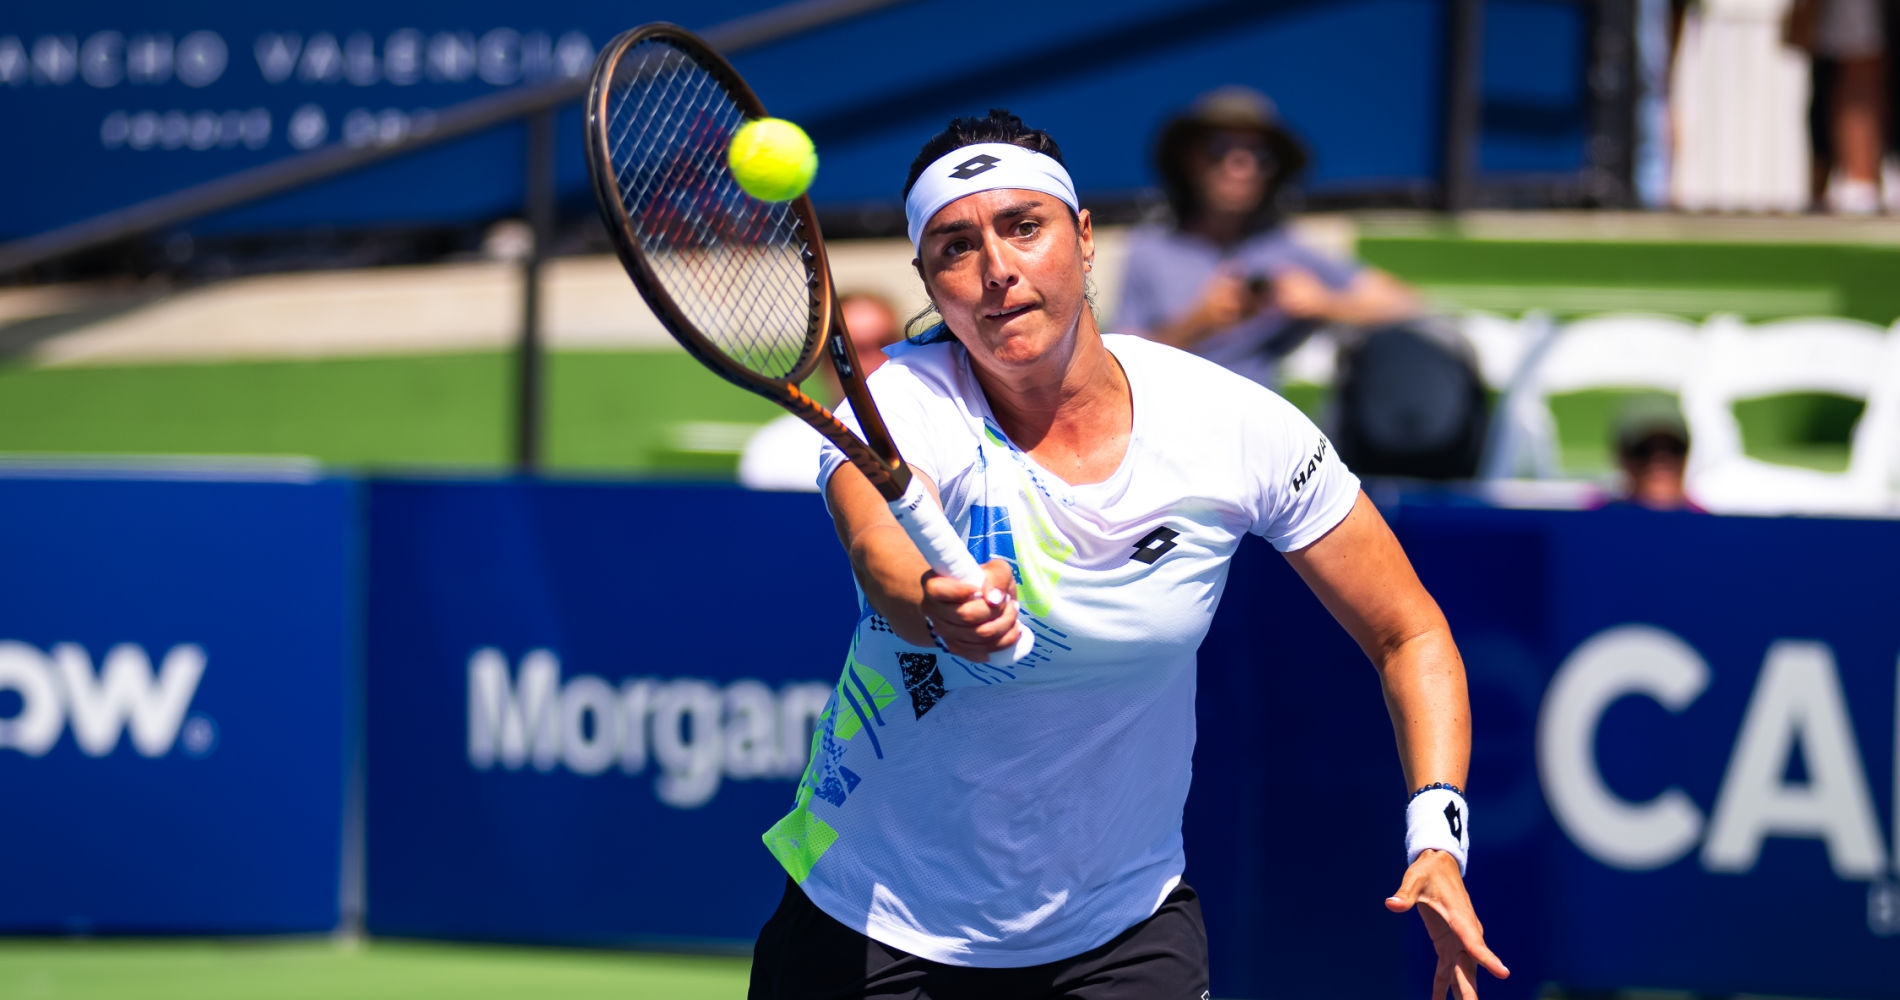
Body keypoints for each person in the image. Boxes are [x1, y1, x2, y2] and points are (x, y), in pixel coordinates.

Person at [748, 109, 1506, 1000]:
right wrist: (934, 603)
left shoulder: (1231, 424)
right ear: (930, 281)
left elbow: (1407, 632)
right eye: (956, 247)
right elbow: (880, 557)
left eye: (1024, 228)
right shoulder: (900, 405)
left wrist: (1437, 839)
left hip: (1119, 934)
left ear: (1084, 238)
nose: (997, 270)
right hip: (871, 925)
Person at [1117, 86, 1420, 388]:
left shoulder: (1281, 247)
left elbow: (1404, 303)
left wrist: (1323, 303)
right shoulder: (1149, 249)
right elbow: (1116, 362)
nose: (1241, 167)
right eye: (1220, 149)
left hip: (1258, 417)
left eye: (1260, 155)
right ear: (1189, 160)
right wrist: (1197, 324)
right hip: (1169, 412)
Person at [738, 292, 905, 491]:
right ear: (824, 359)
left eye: (884, 343)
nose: (871, 359)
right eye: (851, 346)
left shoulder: (938, 435)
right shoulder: (775, 450)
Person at [1596, 400, 1706, 512]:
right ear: (1623, 456)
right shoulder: (1594, 519)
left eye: (1674, 449)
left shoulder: (1710, 523)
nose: (1660, 461)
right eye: (1644, 450)